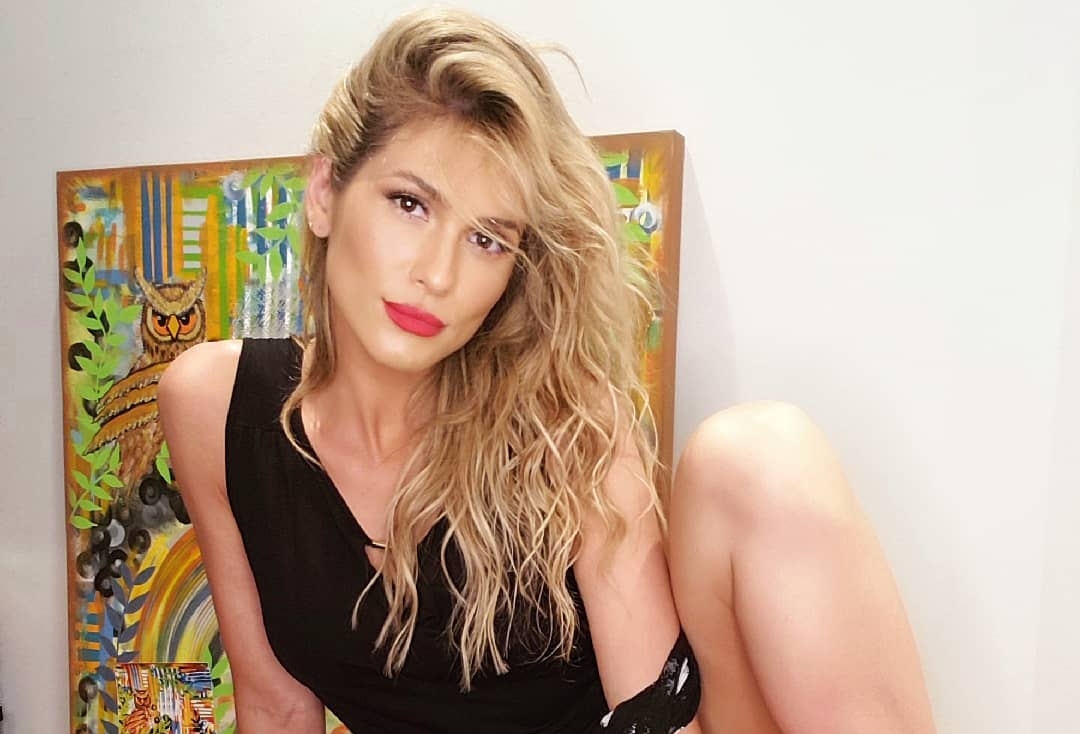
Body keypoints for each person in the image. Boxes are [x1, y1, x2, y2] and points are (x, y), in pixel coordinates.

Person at [158, 7, 937, 734]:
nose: (437, 273)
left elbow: (651, 714)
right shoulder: (214, 408)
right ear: (326, 193)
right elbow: (276, 704)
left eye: (487, 240)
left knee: (761, 453)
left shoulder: (566, 422)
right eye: (410, 204)